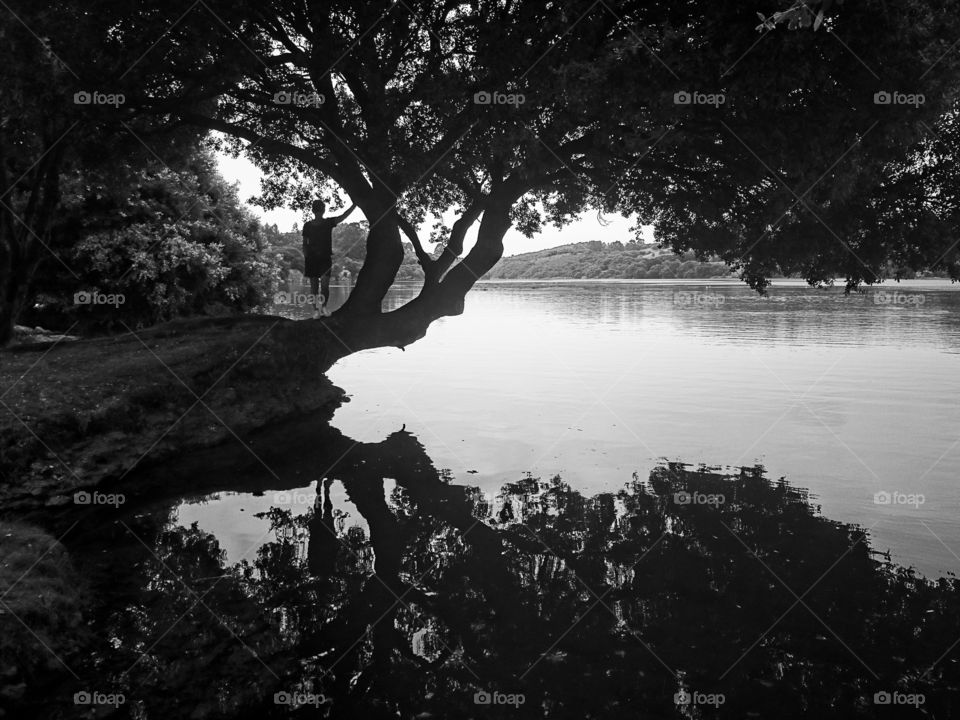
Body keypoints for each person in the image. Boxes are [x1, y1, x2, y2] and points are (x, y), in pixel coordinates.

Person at [302, 199, 356, 317]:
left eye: (319, 209)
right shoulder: (307, 225)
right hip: (312, 259)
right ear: (320, 210)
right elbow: (304, 243)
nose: (319, 211)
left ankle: (323, 308)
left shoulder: (328, 223)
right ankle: (317, 310)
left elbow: (342, 217)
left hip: (324, 258)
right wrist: (306, 255)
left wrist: (354, 206)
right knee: (315, 287)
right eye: (319, 209)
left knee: (323, 286)